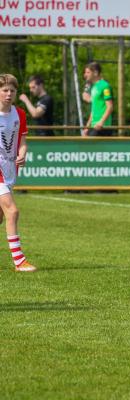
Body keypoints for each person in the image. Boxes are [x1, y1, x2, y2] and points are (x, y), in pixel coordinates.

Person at [0, 74, 36, 272]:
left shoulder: (20, 114)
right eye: (4, 90)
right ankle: (19, 261)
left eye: (12, 91)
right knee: (12, 211)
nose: (8, 94)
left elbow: (22, 142)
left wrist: (22, 155)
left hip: (9, 170)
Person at [82, 61, 114, 137]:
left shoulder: (105, 86)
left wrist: (101, 122)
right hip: (93, 126)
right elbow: (94, 109)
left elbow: (110, 107)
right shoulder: (93, 87)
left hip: (102, 127)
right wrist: (87, 126)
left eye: (88, 72)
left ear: (95, 73)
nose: (85, 75)